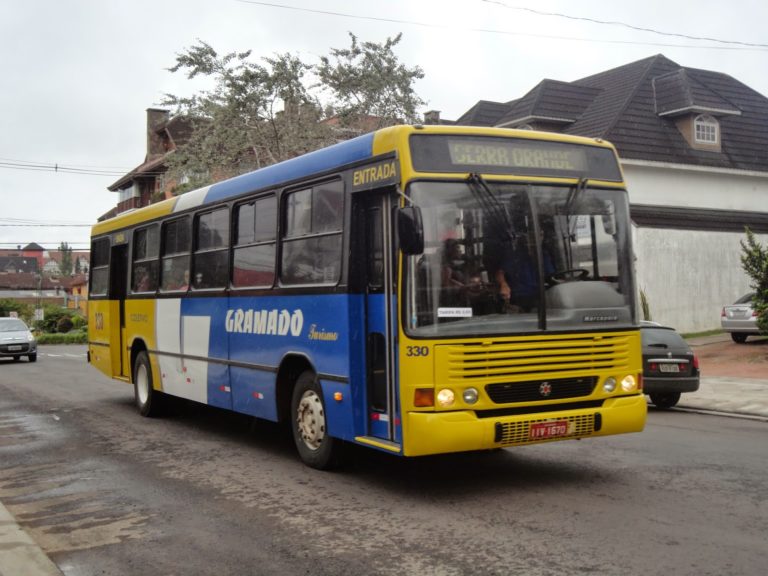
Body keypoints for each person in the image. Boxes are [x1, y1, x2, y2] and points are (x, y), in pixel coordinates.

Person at [494, 232, 554, 312]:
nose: (537, 238)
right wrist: (503, 284)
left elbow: (552, 276)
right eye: (533, 235)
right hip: (518, 299)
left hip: (541, 297)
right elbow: (500, 272)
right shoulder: (514, 255)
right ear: (526, 237)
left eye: (541, 235)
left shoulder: (544, 254)